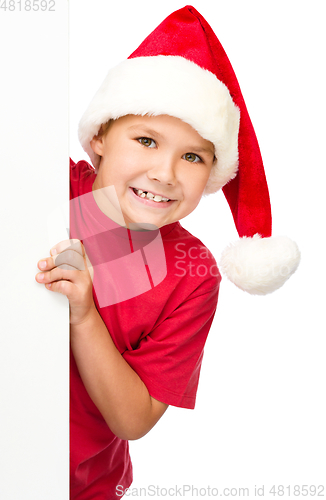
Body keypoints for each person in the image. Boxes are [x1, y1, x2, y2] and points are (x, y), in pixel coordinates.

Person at [35, 5, 300, 499]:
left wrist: (84, 316)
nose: (165, 173)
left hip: (79, 485)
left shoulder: (194, 273)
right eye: (146, 140)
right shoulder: (43, 183)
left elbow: (133, 419)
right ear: (99, 138)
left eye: (193, 156)